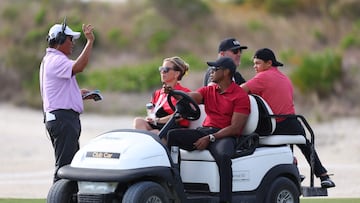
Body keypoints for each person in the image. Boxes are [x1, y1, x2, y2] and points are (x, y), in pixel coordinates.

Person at [240, 48, 336, 188]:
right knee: (306, 145)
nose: (254, 66)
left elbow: (240, 91)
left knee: (245, 140)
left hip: (275, 124)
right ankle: (323, 176)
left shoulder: (262, 77)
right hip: (293, 122)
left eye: (257, 63)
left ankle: (292, 170)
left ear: (269, 63)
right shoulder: (285, 78)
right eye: (254, 63)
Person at [166, 57, 250, 203]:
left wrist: (211, 138)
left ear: (226, 72)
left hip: (224, 135)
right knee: (172, 136)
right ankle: (176, 190)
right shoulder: (209, 89)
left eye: (215, 69)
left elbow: (235, 128)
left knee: (224, 157)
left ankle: (225, 200)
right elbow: (192, 97)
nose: (211, 71)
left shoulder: (240, 95)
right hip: (205, 131)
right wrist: (175, 93)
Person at [39, 19, 95, 183]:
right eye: (70, 39)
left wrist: (79, 94)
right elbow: (79, 66)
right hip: (63, 119)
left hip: (61, 118)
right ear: (60, 40)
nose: (72, 43)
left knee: (70, 167)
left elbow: (59, 90)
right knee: (65, 168)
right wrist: (90, 41)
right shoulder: (56, 60)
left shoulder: (53, 59)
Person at [133, 56, 191, 138]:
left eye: (166, 70)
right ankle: (147, 140)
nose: (162, 72)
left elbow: (179, 116)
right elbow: (151, 110)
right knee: (138, 121)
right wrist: (151, 117)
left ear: (176, 74)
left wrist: (158, 120)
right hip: (158, 124)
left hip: (174, 128)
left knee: (155, 133)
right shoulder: (157, 93)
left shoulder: (185, 93)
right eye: (161, 69)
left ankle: (147, 140)